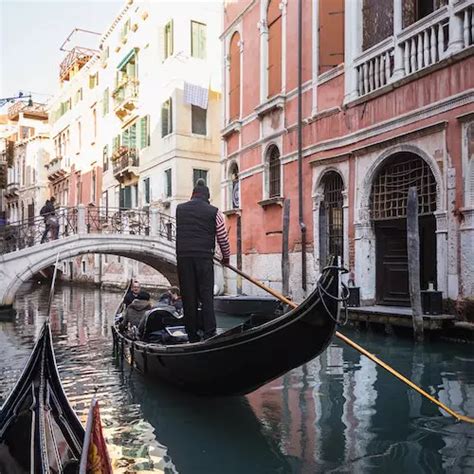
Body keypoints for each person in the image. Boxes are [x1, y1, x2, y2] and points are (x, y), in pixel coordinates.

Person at [175, 178, 230, 342]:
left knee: (188, 296)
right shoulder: (214, 211)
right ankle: (209, 333)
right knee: (206, 296)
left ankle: (192, 335)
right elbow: (222, 237)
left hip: (183, 257)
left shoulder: (179, 210)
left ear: (193, 195)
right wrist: (225, 258)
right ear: (207, 196)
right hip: (204, 258)